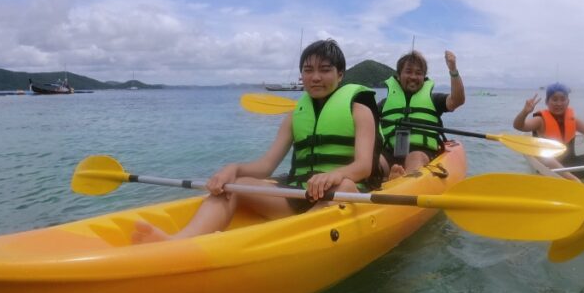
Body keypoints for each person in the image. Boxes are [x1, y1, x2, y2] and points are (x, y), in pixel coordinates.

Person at [132, 39, 380, 243]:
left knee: (345, 186)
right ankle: (179, 242)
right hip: (299, 194)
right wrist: (234, 169)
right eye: (308, 70)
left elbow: (363, 166)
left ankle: (296, 239)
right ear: (301, 75)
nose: (315, 77)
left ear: (340, 74)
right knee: (236, 186)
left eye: (324, 70)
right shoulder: (295, 116)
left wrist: (334, 175)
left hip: (342, 195)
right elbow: (266, 166)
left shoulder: (359, 111)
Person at [513, 83, 584, 190]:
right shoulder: (540, 120)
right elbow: (519, 126)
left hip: (572, 166)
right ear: (547, 102)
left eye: (562, 99)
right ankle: (573, 181)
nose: (559, 103)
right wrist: (525, 112)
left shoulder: (572, 120)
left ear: (568, 102)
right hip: (550, 170)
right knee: (545, 156)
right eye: (554, 99)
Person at [379, 49, 465, 180]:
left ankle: (400, 183)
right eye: (408, 72)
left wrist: (453, 70)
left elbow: (457, 100)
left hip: (422, 153)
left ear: (424, 78)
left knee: (415, 157)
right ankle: (385, 179)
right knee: (376, 160)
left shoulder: (433, 100)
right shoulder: (384, 104)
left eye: (418, 73)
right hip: (390, 153)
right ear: (398, 75)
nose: (413, 77)